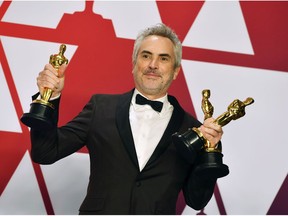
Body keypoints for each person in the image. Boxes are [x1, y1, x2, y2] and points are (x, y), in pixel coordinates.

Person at [30, 23, 224, 214]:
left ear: (175, 71)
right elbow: (45, 152)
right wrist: (50, 96)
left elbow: (197, 200)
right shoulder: (101, 108)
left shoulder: (194, 130)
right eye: (146, 56)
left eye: (163, 59)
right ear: (134, 63)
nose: (153, 65)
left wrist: (211, 151)